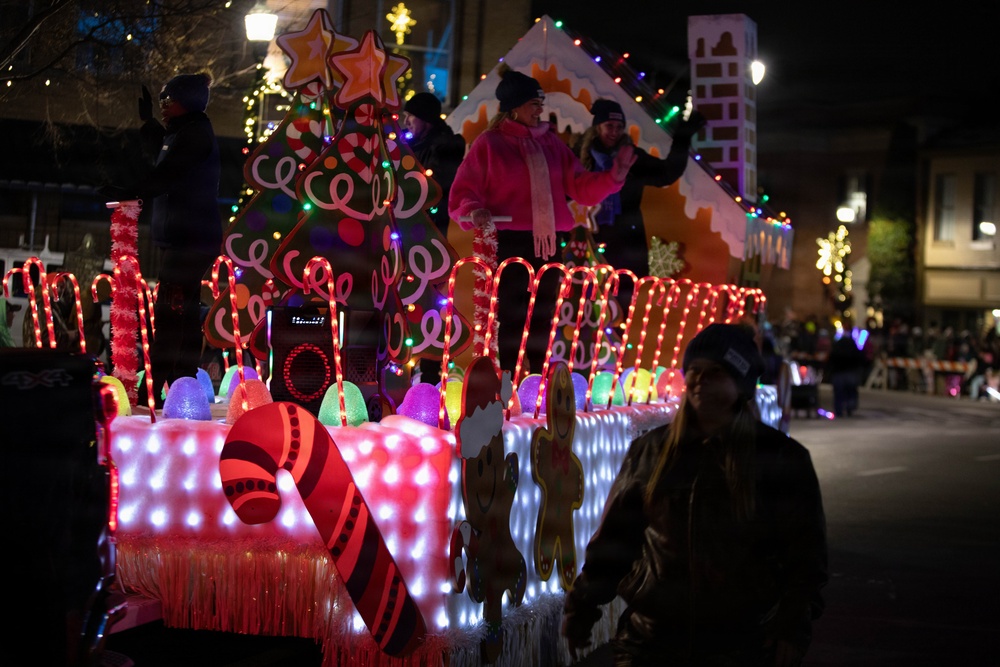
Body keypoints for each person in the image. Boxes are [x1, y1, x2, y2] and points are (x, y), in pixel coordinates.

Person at [562, 323, 828, 667]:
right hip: (650, 642)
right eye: (694, 371)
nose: (700, 380)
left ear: (741, 384)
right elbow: (616, 539)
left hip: (741, 645)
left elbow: (805, 555)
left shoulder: (780, 457)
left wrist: (791, 629)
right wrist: (584, 605)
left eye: (715, 372)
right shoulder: (651, 451)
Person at [448, 65, 635, 378]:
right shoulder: (490, 143)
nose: (539, 110)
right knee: (510, 316)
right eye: (534, 104)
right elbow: (464, 192)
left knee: (544, 316)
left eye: (540, 105)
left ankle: (537, 380)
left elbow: (580, 185)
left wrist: (613, 178)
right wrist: (475, 210)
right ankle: (506, 379)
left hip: (548, 245)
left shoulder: (551, 144)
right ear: (515, 107)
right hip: (509, 244)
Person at [133, 71, 222, 408]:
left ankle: (157, 386)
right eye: (161, 101)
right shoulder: (184, 132)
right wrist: (148, 122)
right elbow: (165, 151)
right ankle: (183, 383)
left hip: (191, 241)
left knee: (169, 314)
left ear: (189, 101)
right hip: (185, 240)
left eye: (169, 100)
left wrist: (130, 191)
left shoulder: (196, 134)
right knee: (180, 313)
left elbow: (166, 172)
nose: (164, 105)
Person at [576, 99, 705, 312]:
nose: (614, 132)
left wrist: (683, 137)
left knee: (623, 307)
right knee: (586, 305)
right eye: (609, 126)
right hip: (589, 241)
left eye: (619, 127)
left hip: (627, 244)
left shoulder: (632, 157)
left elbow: (666, 173)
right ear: (598, 126)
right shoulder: (581, 156)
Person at [402, 91, 467, 385]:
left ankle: (430, 377)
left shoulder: (444, 148)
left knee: (432, 304)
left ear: (425, 119)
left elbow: (434, 189)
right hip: (410, 236)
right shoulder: (412, 146)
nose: (406, 121)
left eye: (411, 116)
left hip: (433, 238)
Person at [825, 325, 867, 417]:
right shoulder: (853, 345)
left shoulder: (837, 346)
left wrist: (829, 371)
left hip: (839, 372)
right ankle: (849, 408)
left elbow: (831, 359)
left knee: (838, 393)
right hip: (851, 372)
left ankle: (839, 410)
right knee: (851, 391)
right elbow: (860, 357)